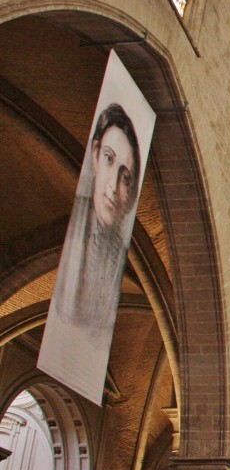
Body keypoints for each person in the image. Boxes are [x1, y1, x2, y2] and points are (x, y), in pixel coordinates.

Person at [52, 103, 141, 336]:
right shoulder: (71, 224)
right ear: (95, 154)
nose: (113, 187)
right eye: (109, 159)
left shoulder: (118, 254)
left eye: (125, 178)